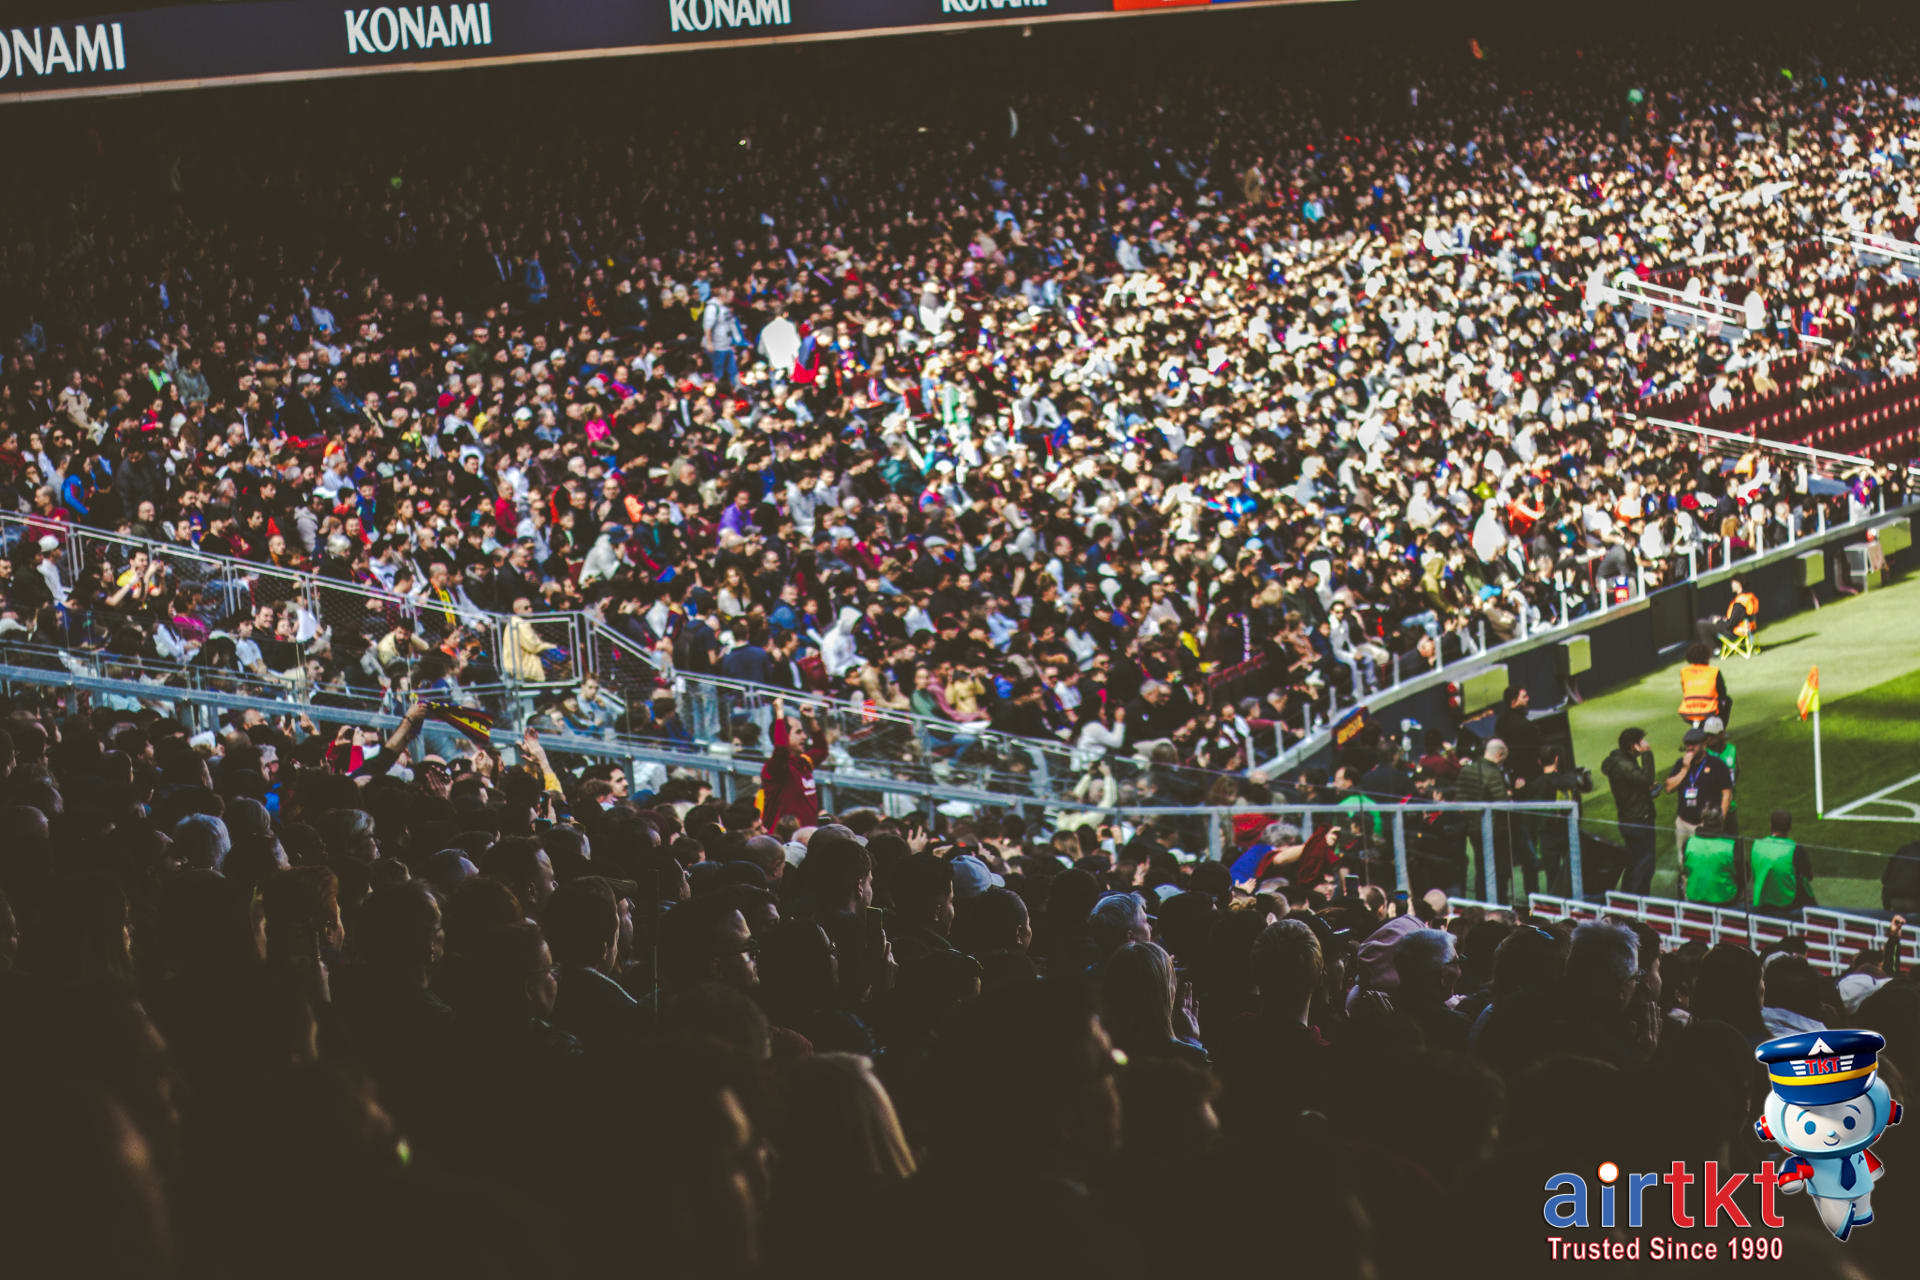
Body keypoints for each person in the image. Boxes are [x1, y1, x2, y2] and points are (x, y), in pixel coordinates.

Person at [1452, 737, 1514, 902]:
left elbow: (1460, 799)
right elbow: (1502, 803)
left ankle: (1481, 902)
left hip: (1473, 828)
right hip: (1493, 831)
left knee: (1481, 867)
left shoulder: (1467, 770)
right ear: (1499, 755)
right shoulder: (1493, 774)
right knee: (1498, 871)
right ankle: (1498, 902)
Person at [1602, 727, 1659, 895]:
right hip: (1639, 820)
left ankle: (1629, 900)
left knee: (1634, 863)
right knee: (1644, 865)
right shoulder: (1625, 765)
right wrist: (1647, 753)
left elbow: (1635, 785)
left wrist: (1645, 791)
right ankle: (1637, 902)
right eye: (1641, 742)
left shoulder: (1619, 761)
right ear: (1634, 745)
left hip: (1629, 818)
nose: (1645, 744)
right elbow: (1647, 778)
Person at [1664, 726, 1732, 857]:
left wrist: (1721, 818)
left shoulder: (1717, 764)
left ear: (1703, 744)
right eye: (1688, 745)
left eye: (1694, 745)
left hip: (1706, 825)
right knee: (1683, 861)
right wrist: (1685, 769)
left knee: (1705, 858)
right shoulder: (1681, 764)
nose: (1690, 748)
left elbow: (1727, 793)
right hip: (1683, 823)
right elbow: (1669, 788)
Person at [1749, 810, 1816, 914]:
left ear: (1770, 825)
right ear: (1789, 827)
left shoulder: (1757, 845)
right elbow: (1808, 876)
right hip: (1787, 902)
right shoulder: (1795, 848)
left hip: (1762, 899)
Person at [1679, 807, 1739, 906]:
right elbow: (1743, 875)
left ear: (1703, 821)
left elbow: (1685, 870)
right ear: (1721, 821)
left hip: (1694, 897)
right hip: (1725, 899)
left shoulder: (1689, 843)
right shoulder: (1731, 845)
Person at [1676, 642, 1731, 728]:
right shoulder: (1713, 671)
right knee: (1727, 700)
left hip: (1687, 711)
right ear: (1707, 656)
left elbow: (1685, 690)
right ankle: (1720, 730)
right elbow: (1722, 692)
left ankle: (1699, 726)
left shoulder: (1684, 671)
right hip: (1710, 711)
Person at [1696, 577, 1760, 649]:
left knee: (1701, 624)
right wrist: (1722, 619)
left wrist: (1719, 621)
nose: (1731, 585)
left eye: (1733, 583)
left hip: (1737, 633)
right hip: (1748, 629)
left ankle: (1715, 650)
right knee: (1712, 617)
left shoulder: (1740, 602)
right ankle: (1718, 647)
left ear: (1738, 584)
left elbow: (1730, 624)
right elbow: (1738, 618)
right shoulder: (1749, 597)